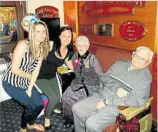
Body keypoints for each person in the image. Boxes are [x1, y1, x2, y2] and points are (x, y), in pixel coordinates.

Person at [72, 46, 154, 132]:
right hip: (101, 95)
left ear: (148, 62)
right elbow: (104, 78)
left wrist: (107, 101)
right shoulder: (120, 63)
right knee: (77, 108)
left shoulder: (145, 78)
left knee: (92, 123)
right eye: (137, 56)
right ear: (133, 54)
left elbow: (136, 100)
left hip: (117, 105)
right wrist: (117, 88)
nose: (138, 60)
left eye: (142, 59)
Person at [2, 21, 50, 132]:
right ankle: (23, 128)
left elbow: (36, 71)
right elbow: (14, 69)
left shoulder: (41, 48)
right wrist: (29, 76)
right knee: (31, 107)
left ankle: (31, 123)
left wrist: (29, 88)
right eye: (38, 31)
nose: (41, 34)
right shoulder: (23, 44)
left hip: (25, 81)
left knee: (39, 104)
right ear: (32, 32)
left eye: (43, 31)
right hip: (11, 82)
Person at [36, 26, 75, 130]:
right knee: (53, 98)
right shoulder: (51, 44)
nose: (66, 38)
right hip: (39, 76)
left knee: (58, 99)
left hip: (52, 76)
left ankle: (48, 109)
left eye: (69, 36)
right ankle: (47, 118)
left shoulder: (69, 51)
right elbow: (36, 53)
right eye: (64, 36)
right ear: (59, 37)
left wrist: (83, 71)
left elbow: (71, 66)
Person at [62, 36, 103, 129]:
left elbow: (101, 75)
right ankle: (69, 119)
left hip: (91, 86)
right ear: (76, 46)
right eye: (79, 45)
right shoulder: (74, 56)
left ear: (88, 46)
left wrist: (102, 91)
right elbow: (74, 69)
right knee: (65, 97)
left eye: (84, 45)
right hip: (77, 83)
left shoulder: (93, 59)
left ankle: (79, 124)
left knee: (79, 103)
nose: (81, 47)